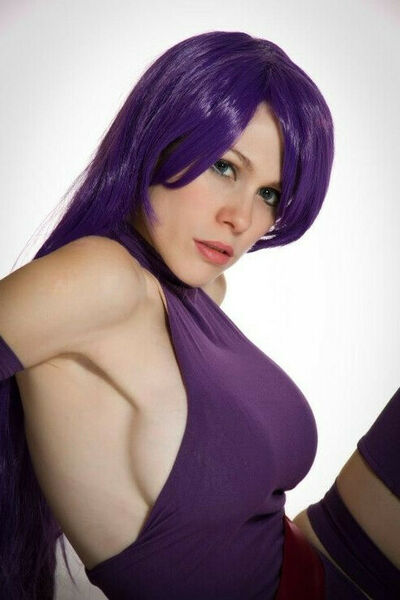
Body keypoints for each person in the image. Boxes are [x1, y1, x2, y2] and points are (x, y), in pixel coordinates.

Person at [0, 30, 398, 600]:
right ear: (158, 139)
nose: (242, 218)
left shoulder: (201, 290)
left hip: (335, 554)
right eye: (225, 167)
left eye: (269, 194)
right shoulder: (99, 280)